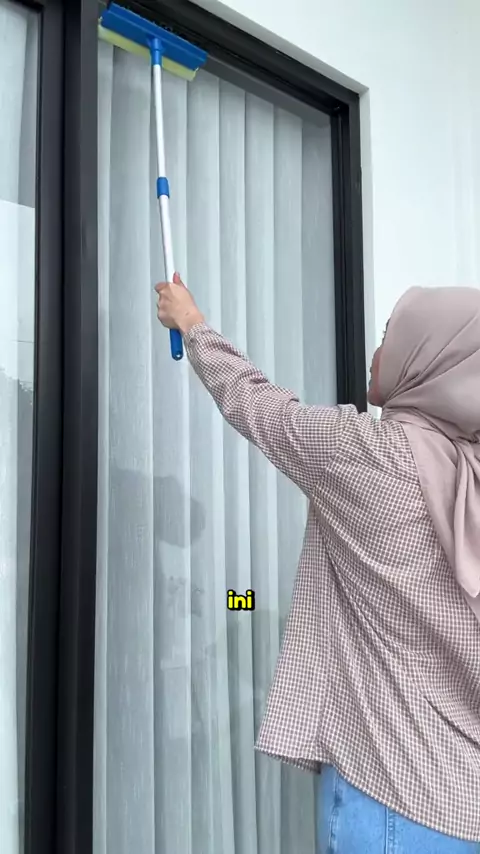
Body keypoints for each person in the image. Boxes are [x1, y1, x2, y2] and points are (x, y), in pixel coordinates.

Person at [156, 275, 480, 854]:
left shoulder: (372, 455)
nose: (376, 352)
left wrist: (192, 324)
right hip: (463, 803)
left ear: (426, 361)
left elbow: (260, 407)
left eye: (390, 337)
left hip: (389, 796)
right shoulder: (470, 481)